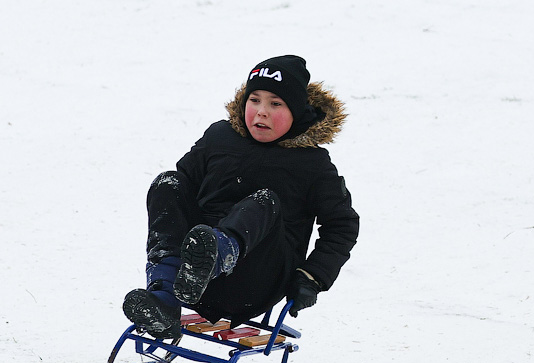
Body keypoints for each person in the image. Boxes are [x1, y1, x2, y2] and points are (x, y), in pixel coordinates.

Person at [123, 55, 359, 339]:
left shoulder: (312, 164)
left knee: (264, 201)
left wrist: (313, 276)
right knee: (169, 183)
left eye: (276, 104)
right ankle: (164, 297)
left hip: (255, 281)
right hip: (191, 284)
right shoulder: (219, 137)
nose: (261, 112)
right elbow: (182, 189)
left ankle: (212, 258)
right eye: (254, 100)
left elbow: (342, 224)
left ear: (296, 110)